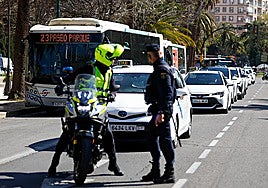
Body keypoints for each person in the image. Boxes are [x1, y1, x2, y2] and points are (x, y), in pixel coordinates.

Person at [48, 43, 124, 177]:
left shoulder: (109, 72)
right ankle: (53, 164)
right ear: (103, 57)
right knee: (66, 132)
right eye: (111, 58)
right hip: (81, 102)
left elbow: (112, 87)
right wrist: (61, 84)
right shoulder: (88, 68)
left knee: (108, 134)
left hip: (99, 105)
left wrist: (112, 94)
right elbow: (71, 78)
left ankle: (114, 164)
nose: (113, 61)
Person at [141, 43, 175, 184]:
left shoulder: (161, 70)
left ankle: (169, 172)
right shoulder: (159, 68)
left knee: (165, 141)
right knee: (151, 137)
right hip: (158, 110)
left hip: (162, 111)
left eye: (149, 55)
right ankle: (156, 169)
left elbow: (167, 93)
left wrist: (162, 112)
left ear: (150, 55)